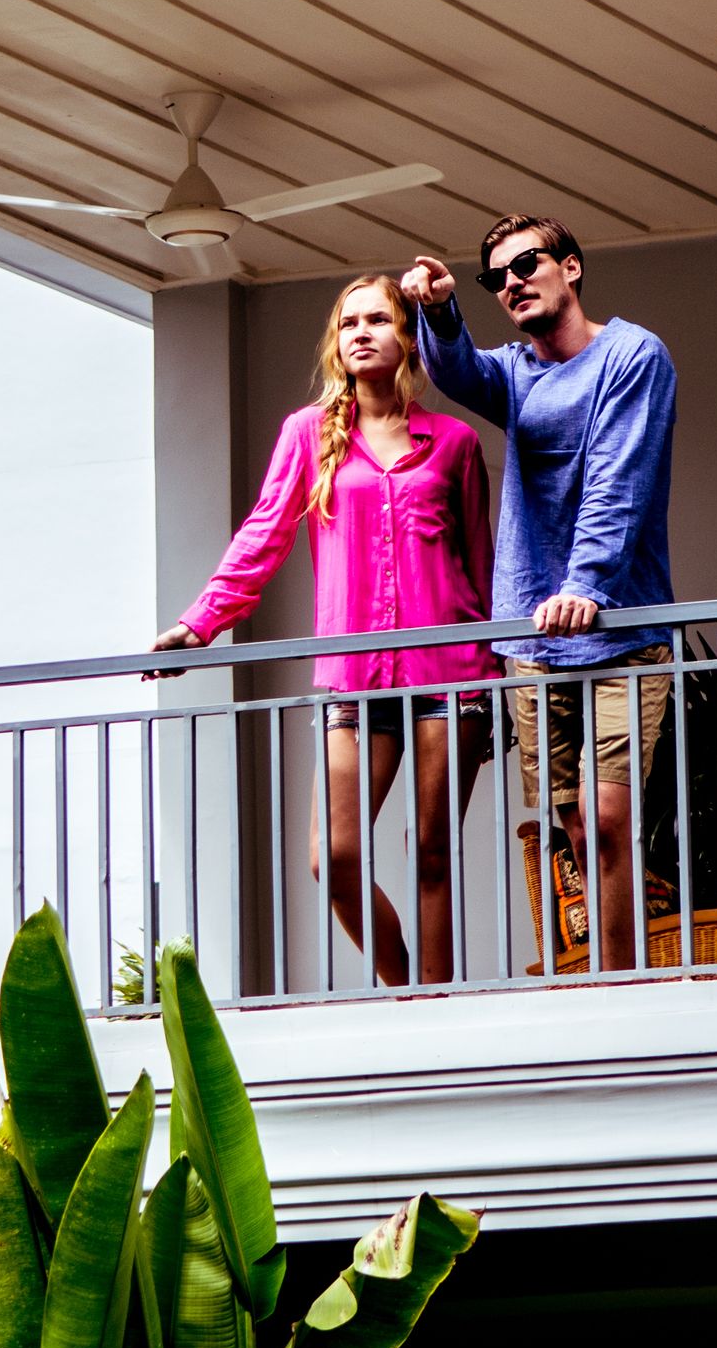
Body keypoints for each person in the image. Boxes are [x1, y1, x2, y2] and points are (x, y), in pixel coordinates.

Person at [148, 274, 497, 985]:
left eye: (378, 319)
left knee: (434, 852)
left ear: (408, 337)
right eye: (348, 323)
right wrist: (200, 624)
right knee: (333, 857)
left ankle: (435, 1009)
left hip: (451, 671)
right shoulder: (309, 436)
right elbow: (263, 534)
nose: (361, 332)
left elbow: (484, 564)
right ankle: (406, 991)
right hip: (354, 676)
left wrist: (498, 670)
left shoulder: (454, 443)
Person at [398, 217, 678, 973]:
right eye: (498, 276)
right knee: (577, 830)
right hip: (533, 640)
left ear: (572, 268)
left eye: (528, 263)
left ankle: (625, 998)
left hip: (621, 632)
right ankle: (606, 980)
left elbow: (619, 478)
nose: (514, 281)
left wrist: (586, 583)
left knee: (608, 815)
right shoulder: (517, 372)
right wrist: (439, 309)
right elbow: (457, 373)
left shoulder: (631, 354)